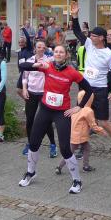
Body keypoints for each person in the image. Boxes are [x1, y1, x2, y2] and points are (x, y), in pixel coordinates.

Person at [17, 44, 94, 194]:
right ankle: (30, 172)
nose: (58, 54)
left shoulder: (72, 72)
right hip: (45, 109)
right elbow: (23, 66)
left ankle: (77, 180)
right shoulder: (47, 66)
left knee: (65, 148)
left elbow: (89, 89)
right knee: (34, 142)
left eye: (61, 52)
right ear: (53, 54)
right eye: (56, 52)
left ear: (66, 55)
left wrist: (79, 106)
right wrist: (37, 65)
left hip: (62, 112)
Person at [70, 2, 111, 161]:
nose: (90, 37)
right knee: (82, 118)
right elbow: (77, 31)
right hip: (86, 89)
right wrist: (75, 16)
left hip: (100, 90)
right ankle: (82, 147)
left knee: (103, 122)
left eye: (94, 36)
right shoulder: (89, 45)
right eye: (90, 35)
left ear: (101, 38)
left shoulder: (109, 54)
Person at [19, 40, 57, 157]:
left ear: (45, 49)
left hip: (44, 93)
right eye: (39, 47)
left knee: (46, 121)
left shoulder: (49, 60)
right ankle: (30, 143)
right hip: (31, 93)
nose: (41, 49)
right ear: (35, 48)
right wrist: (24, 89)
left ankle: (52, 144)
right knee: (30, 119)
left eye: (43, 47)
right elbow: (24, 76)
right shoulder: (30, 60)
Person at [56, 90, 105, 173]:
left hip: (74, 134)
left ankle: (84, 166)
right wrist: (101, 130)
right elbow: (93, 125)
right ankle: (60, 167)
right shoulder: (88, 111)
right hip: (81, 136)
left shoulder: (75, 109)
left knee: (85, 148)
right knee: (71, 152)